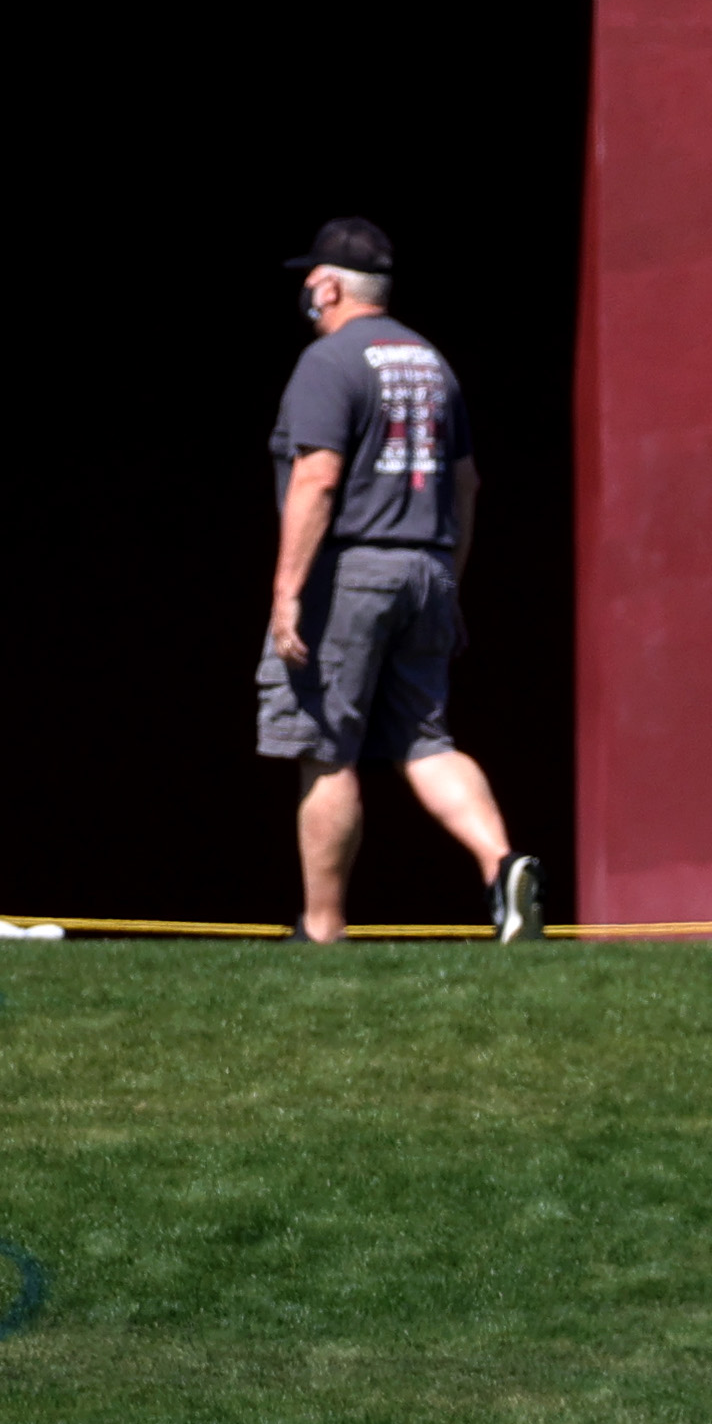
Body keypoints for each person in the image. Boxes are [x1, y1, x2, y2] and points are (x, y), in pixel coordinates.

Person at [261, 217, 535, 944]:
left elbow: (316, 479)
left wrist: (287, 594)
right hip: (429, 565)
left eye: (309, 281)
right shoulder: (431, 362)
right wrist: (452, 580)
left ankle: (321, 927)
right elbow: (468, 484)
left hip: (350, 570)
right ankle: (500, 865)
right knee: (426, 739)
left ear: (327, 285)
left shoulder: (329, 362)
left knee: (325, 743)